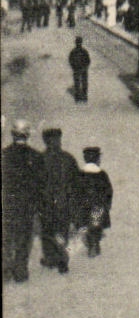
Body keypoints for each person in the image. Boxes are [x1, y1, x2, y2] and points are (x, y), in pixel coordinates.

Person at [2, 121, 42, 282]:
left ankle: (5, 269)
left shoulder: (4, 154)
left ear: (13, 135)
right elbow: (40, 184)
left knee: (7, 237)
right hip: (27, 205)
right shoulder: (35, 156)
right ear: (28, 135)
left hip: (7, 203)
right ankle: (20, 270)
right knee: (24, 238)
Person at [37, 127, 79, 274]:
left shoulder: (39, 159)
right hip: (63, 202)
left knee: (47, 231)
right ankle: (61, 259)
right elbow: (77, 182)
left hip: (46, 203)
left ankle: (51, 258)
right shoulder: (68, 158)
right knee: (62, 231)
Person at [73, 146, 114, 257]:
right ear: (97, 159)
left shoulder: (80, 174)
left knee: (86, 224)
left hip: (83, 207)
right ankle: (94, 243)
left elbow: (75, 192)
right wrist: (107, 205)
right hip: (98, 206)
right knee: (96, 224)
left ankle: (90, 242)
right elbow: (108, 191)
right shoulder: (102, 175)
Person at [68, 36, 91, 103]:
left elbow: (88, 60)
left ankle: (83, 96)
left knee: (82, 83)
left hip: (81, 69)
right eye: (78, 43)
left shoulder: (79, 51)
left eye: (79, 42)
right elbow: (70, 60)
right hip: (78, 69)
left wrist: (85, 67)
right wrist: (74, 67)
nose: (78, 44)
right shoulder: (80, 51)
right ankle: (80, 96)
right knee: (78, 83)